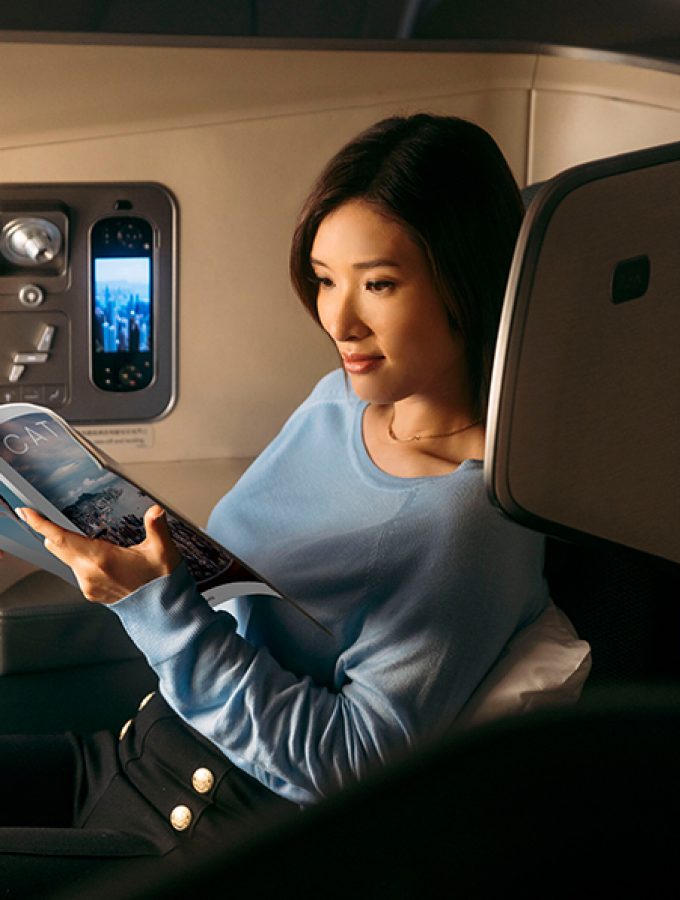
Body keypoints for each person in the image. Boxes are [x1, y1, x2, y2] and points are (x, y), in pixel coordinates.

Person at [0, 113, 550, 891]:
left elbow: (351, 768)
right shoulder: (335, 403)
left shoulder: (469, 518)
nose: (339, 318)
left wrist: (156, 606)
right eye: (326, 279)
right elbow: (234, 584)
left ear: (466, 278)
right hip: (131, 752)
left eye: (379, 283)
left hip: (212, 832)